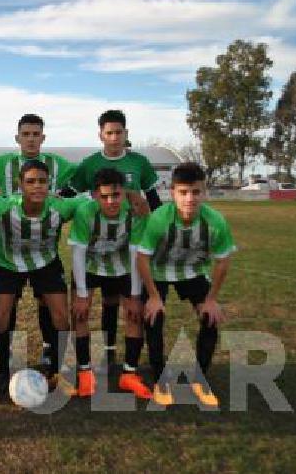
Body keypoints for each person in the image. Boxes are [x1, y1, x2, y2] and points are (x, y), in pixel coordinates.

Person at [0, 159, 85, 399]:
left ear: (49, 185)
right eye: (30, 182)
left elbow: (89, 200)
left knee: (61, 316)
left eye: (42, 182)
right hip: (8, 265)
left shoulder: (60, 207)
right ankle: (2, 372)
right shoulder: (4, 207)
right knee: (1, 316)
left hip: (46, 263)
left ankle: (58, 370)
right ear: (20, 185)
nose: (37, 187)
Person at [0, 113, 77, 371]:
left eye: (36, 134)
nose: (31, 139)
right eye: (26, 134)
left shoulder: (59, 165)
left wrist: (66, 194)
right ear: (17, 138)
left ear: (43, 137)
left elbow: (84, 183)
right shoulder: (2, 164)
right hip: (8, 255)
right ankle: (3, 363)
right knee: (2, 312)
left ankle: (54, 357)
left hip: (45, 254)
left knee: (53, 308)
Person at [135, 162, 237, 407]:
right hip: (158, 272)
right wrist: (153, 296)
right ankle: (160, 377)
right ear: (173, 193)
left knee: (210, 320)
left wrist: (211, 300)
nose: (190, 198)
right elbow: (142, 258)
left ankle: (200, 379)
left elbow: (222, 263)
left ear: (205, 192)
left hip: (193, 271)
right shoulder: (159, 219)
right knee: (153, 317)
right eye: (183, 192)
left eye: (196, 192)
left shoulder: (216, 222)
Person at [67, 168, 158, 401]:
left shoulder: (134, 211)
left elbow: (135, 250)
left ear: (124, 193)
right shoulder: (86, 212)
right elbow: (77, 252)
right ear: (95, 195)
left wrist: (136, 296)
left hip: (123, 266)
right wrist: (80, 293)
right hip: (89, 266)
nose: (111, 201)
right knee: (79, 314)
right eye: (105, 196)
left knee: (134, 315)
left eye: (116, 195)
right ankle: (85, 372)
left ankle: (129, 374)